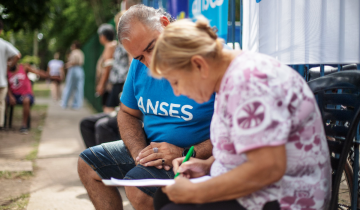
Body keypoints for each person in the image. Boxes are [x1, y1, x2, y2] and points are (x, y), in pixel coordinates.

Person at [149, 18, 332, 210]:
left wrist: (197, 192)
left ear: (198, 64)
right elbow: (244, 147)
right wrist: (208, 165)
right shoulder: (230, 75)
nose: (177, 92)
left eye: (176, 81)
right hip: (266, 189)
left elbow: (268, 168)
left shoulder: (248, 83)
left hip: (287, 197)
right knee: (165, 198)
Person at [77, 5, 214, 210]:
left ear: (165, 25)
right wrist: (139, 154)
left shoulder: (206, 61)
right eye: (140, 57)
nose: (150, 62)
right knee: (87, 164)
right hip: (152, 150)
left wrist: (186, 152)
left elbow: (231, 135)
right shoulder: (139, 64)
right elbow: (127, 113)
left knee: (137, 187)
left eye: (152, 47)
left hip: (193, 156)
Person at [7, 62, 47, 134]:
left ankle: (24, 125)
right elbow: (7, 86)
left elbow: (36, 72)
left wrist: (47, 75)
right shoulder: (7, 71)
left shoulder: (24, 67)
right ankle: (4, 124)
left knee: (26, 100)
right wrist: (10, 96)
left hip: (26, 94)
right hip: (14, 95)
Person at [0, 19, 21, 129]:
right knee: (1, 105)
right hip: (1, 81)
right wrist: (9, 65)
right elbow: (18, 55)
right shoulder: (3, 44)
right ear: (1, 30)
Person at [61, 41, 85, 109]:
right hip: (80, 70)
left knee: (69, 86)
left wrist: (67, 65)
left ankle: (64, 103)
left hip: (73, 69)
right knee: (79, 87)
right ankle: (77, 104)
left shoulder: (74, 52)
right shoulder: (81, 52)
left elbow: (74, 62)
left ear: (74, 46)